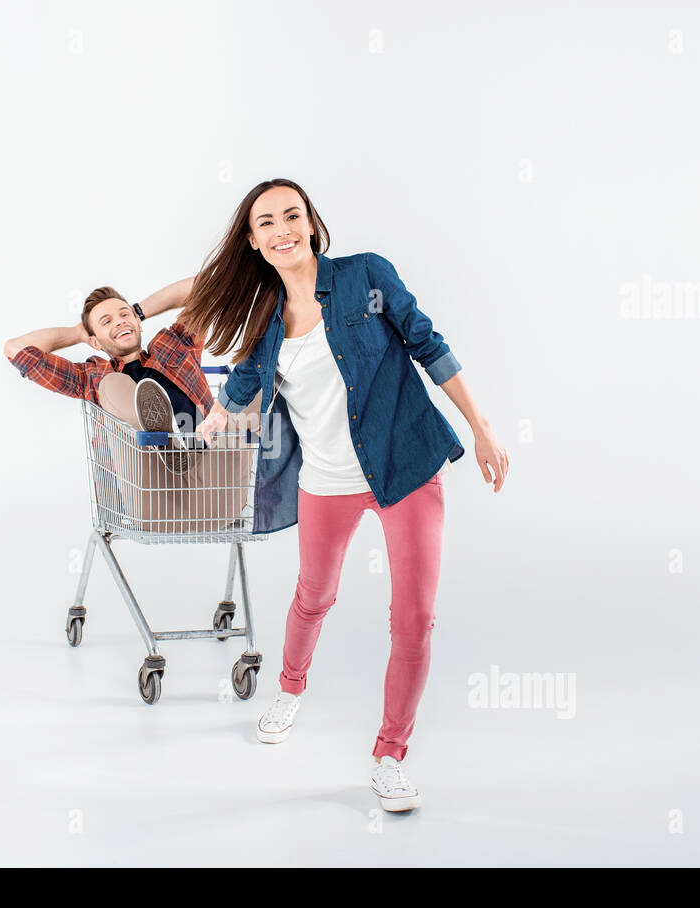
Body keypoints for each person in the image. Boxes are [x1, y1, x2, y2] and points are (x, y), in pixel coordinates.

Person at [187, 178, 510, 812]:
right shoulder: (264, 321)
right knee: (314, 596)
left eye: (292, 215)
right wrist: (219, 413)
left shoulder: (366, 276)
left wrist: (482, 428)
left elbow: (428, 343)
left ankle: (390, 755)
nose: (282, 229)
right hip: (326, 482)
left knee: (413, 619)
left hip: (404, 467)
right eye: (266, 222)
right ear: (252, 242)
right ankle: (289, 689)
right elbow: (247, 377)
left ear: (310, 223)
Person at [4, 281, 261, 533]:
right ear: (95, 342)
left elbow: (209, 287)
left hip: (215, 490)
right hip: (155, 500)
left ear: (138, 323)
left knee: (254, 382)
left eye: (123, 315)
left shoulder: (174, 346)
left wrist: (138, 311)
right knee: (112, 383)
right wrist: (78, 333)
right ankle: (159, 437)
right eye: (106, 321)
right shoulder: (93, 376)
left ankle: (180, 438)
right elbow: (15, 350)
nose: (118, 322)